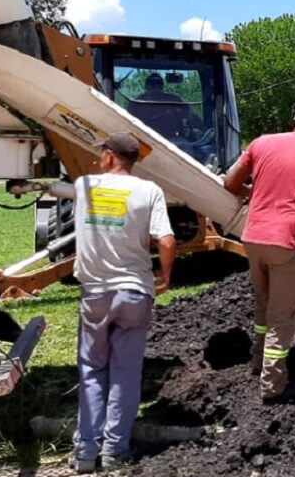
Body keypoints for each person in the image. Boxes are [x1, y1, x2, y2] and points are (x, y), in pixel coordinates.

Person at [70, 132, 176, 474]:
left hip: (95, 293)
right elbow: (167, 239)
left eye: (103, 152)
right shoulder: (150, 191)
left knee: (91, 370)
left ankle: (86, 453)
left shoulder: (84, 186)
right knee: (125, 372)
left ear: (111, 155)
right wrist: (165, 276)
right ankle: (115, 451)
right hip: (134, 291)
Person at [224, 102, 295, 403]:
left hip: (253, 238)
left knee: (263, 305)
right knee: (281, 316)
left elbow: (230, 183)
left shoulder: (261, 143)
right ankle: (273, 386)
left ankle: (257, 362)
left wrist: (256, 193)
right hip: (286, 242)